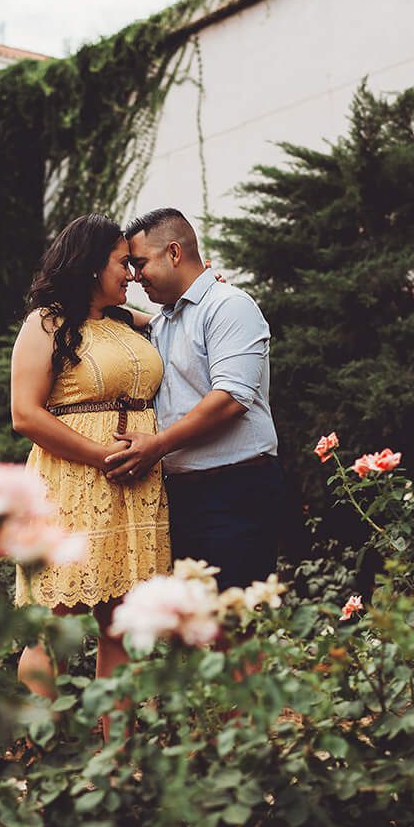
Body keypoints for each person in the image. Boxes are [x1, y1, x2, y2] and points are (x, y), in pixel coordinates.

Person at [10, 214, 171, 697]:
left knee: (121, 626)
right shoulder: (48, 323)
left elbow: (176, 315)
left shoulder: (125, 321)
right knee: (53, 627)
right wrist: (101, 454)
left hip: (136, 487)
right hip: (72, 485)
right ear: (90, 265)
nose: (133, 274)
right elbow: (25, 415)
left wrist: (209, 287)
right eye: (124, 263)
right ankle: (44, 764)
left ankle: (116, 766)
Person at [108, 208, 282, 590]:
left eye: (139, 264)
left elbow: (230, 398)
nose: (135, 277)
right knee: (197, 631)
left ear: (173, 253)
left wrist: (156, 446)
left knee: (237, 625)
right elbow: (114, 318)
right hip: (184, 496)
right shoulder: (163, 321)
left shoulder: (229, 306)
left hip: (236, 490)